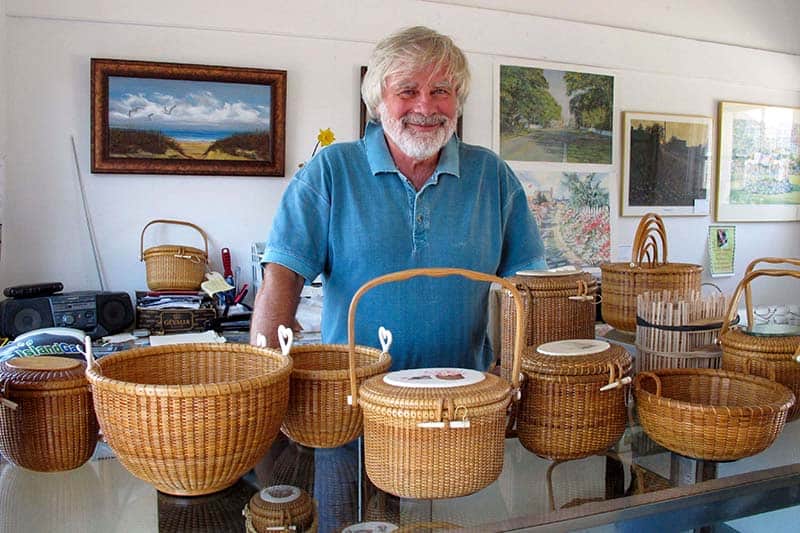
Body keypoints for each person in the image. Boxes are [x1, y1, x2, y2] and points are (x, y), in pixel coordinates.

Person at [250, 26, 546, 371]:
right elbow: (282, 276)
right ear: (378, 102)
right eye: (408, 91)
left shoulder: (491, 175)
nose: (426, 106)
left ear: (457, 100)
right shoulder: (330, 171)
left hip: (467, 402)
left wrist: (515, 370)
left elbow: (530, 287)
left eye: (441, 91)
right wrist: (266, 379)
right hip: (357, 408)